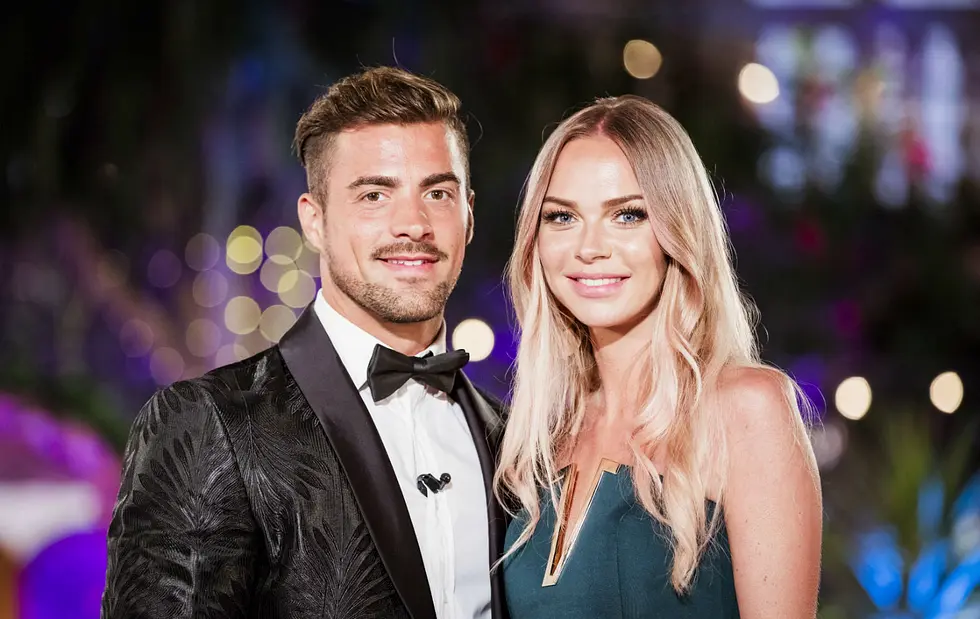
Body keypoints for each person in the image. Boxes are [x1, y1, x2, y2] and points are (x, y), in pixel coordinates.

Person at [101, 66, 508, 619]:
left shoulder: (511, 441)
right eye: (374, 195)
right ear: (314, 222)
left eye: (437, 193)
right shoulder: (208, 422)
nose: (413, 223)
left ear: (469, 214)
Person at [495, 95, 822, 618]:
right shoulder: (539, 440)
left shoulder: (745, 408)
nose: (589, 247)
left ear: (677, 230)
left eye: (627, 215)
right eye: (562, 217)